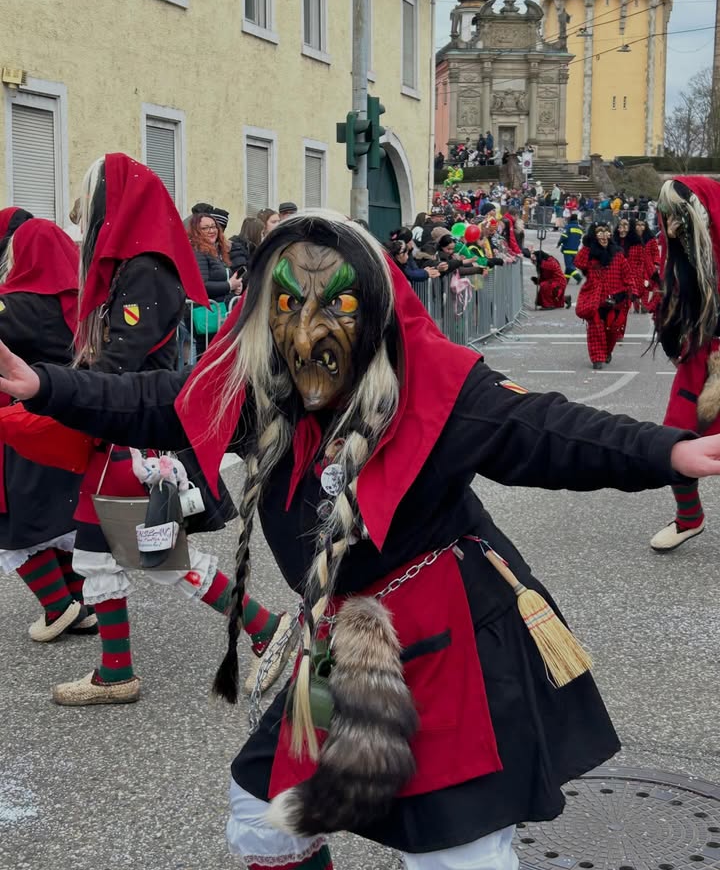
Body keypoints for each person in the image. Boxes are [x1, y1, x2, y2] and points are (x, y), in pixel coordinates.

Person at [3, 212, 720, 870]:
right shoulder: (256, 379)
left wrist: (668, 452)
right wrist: (43, 383)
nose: (311, 328)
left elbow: (552, 431)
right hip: (340, 635)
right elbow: (154, 401)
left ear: (372, 308)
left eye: (337, 305)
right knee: (267, 813)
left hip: (453, 634)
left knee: (457, 848)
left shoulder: (437, 384)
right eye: (289, 305)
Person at [25, 153, 291, 706]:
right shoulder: (136, 265)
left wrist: (65, 394)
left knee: (157, 554)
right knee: (109, 552)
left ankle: (264, 627)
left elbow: (118, 363)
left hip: (133, 435)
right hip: (118, 431)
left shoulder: (148, 268)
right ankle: (118, 671)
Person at [0, 218, 95, 640]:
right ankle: (79, 605)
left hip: (28, 423)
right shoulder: (82, 301)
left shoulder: (20, 304)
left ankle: (58, 606)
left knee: (18, 521)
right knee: (56, 518)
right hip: (72, 417)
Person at [650, 177, 720, 552]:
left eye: (680, 216)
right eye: (668, 218)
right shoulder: (683, 253)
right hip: (699, 359)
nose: (673, 226)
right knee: (675, 441)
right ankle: (689, 518)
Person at [575, 224, 636, 370]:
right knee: (596, 328)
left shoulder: (618, 254)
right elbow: (578, 262)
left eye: (606, 231)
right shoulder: (589, 254)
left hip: (616, 298)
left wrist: (632, 292)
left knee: (613, 330)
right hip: (595, 298)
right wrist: (587, 244)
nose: (603, 235)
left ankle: (607, 351)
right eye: (599, 232)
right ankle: (597, 358)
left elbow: (627, 275)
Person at [188, 210, 244, 358]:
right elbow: (201, 285)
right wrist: (228, 286)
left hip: (218, 312)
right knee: (207, 355)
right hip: (207, 314)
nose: (211, 230)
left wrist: (236, 286)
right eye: (205, 228)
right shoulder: (198, 251)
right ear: (196, 231)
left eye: (213, 226)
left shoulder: (215, 251)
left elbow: (223, 279)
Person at [557, 212, 584, 284]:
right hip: (575, 250)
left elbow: (564, 236)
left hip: (567, 249)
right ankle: (566, 279)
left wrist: (559, 243)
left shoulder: (568, 227)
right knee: (569, 265)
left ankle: (578, 277)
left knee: (569, 265)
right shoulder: (579, 228)